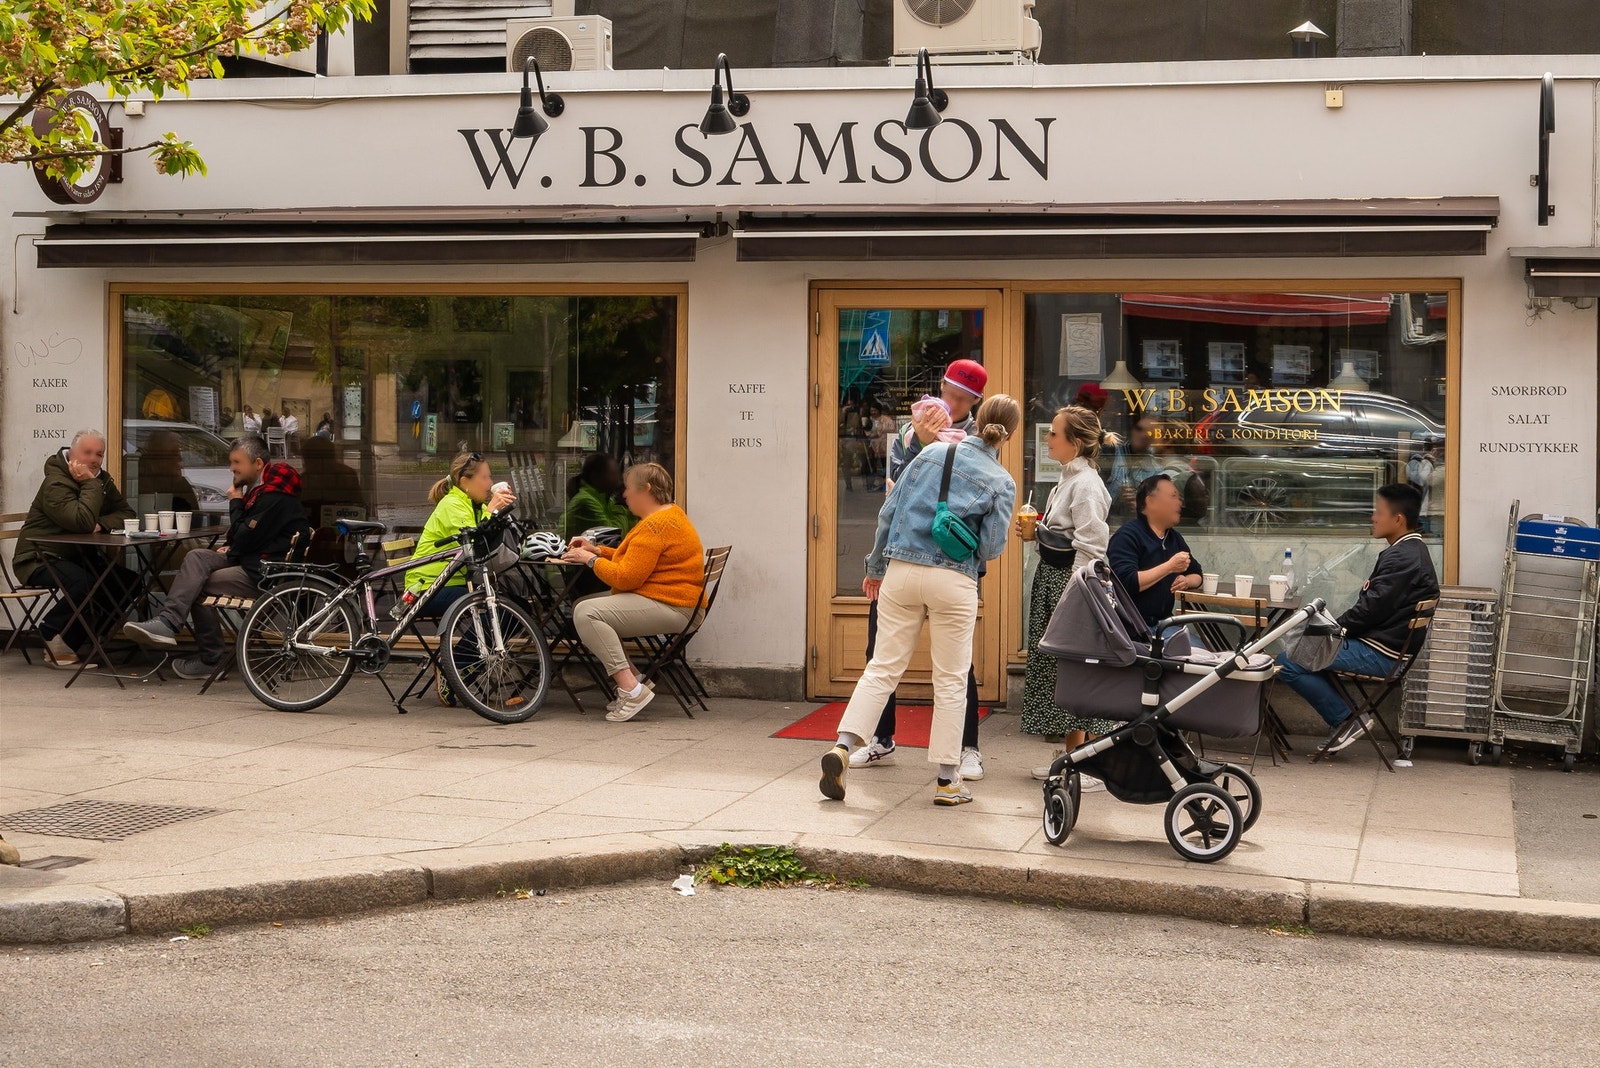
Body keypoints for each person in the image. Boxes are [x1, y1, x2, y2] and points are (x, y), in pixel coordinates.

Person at [820, 394, 1020, 808]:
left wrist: (875, 568)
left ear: (976, 420)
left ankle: (842, 747)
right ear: (1010, 434)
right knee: (950, 678)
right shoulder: (1001, 480)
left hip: (902, 572)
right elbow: (992, 546)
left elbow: (888, 513)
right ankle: (947, 782)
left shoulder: (930, 455)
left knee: (882, 667)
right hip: (954, 579)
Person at [850, 358, 991, 782]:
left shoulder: (981, 439)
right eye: (948, 393)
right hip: (905, 557)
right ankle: (880, 738)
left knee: (955, 664)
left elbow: (979, 491)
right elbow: (896, 487)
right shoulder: (912, 429)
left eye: (961, 398)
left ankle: (967, 749)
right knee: (880, 653)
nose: (951, 403)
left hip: (954, 562)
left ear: (975, 402)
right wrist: (918, 444)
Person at [124, 436, 312, 679]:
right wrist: (234, 545)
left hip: (264, 572)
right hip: (251, 558)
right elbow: (248, 536)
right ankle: (168, 622)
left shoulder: (274, 495)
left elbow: (244, 535)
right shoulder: (263, 489)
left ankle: (210, 659)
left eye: (236, 462)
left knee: (196, 586)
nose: (231, 468)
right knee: (197, 557)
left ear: (257, 463)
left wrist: (235, 501)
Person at [1276, 484, 1439, 753]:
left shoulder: (1402, 557)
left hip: (1382, 655)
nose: (1373, 518)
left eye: (1378, 512)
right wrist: (1332, 631)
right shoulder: (1409, 552)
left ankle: (1345, 720)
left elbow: (1368, 611)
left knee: (1290, 659)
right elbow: (1372, 609)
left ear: (1398, 519)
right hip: (1387, 648)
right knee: (1309, 649)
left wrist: (1334, 630)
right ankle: (1347, 717)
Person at [560, 463, 706, 723]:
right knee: (585, 605)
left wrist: (589, 561)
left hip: (673, 607)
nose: (624, 495)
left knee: (587, 613)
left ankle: (630, 688)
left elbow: (626, 578)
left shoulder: (655, 526)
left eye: (628, 489)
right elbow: (637, 561)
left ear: (646, 489)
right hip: (677, 602)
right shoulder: (669, 516)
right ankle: (636, 678)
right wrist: (597, 551)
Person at [1019, 406, 1116, 785]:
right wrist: (1040, 531)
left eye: (1054, 434)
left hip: (1071, 583)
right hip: (1056, 578)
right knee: (1062, 670)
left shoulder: (1086, 484)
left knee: (1077, 670)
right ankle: (1074, 757)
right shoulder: (1069, 478)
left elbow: (1093, 543)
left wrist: (1075, 594)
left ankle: (1088, 762)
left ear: (1074, 443)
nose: (1047, 438)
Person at [11, 430, 139, 669]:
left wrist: (100, 524)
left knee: (128, 582)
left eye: (99, 454)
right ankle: (51, 633)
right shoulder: (56, 483)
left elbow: (127, 514)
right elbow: (80, 522)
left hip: (76, 556)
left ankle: (74, 639)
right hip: (38, 558)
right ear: (71, 454)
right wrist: (91, 483)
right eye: (87, 452)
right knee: (85, 583)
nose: (93, 459)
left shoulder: (102, 479)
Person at [403, 451, 517, 705]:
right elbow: (472, 544)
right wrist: (491, 510)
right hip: (427, 589)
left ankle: (458, 667)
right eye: (485, 477)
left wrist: (501, 515)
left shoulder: (470, 505)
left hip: (452, 584)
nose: (489, 483)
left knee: (513, 606)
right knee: (500, 609)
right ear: (466, 481)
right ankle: (455, 667)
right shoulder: (453, 505)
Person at [1107, 473, 1204, 630]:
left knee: (1203, 652)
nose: (1180, 502)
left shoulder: (1173, 537)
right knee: (1188, 652)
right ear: (1150, 501)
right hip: (1132, 627)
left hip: (1164, 623)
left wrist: (1186, 581)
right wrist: (1170, 567)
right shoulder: (1127, 536)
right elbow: (1126, 582)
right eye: (1173, 496)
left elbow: (1197, 573)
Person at [561, 452, 632, 540]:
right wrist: (621, 505)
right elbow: (613, 537)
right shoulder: (586, 502)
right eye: (612, 474)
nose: (618, 479)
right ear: (595, 476)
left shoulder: (607, 500)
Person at [1106, 413, 1164, 519]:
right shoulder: (1111, 454)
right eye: (1139, 429)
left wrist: (1139, 505)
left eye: (1149, 433)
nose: (1142, 435)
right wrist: (1118, 497)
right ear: (1131, 431)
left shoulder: (1156, 471)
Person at [135, 429, 199, 512]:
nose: (180, 458)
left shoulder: (181, 485)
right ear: (158, 458)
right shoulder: (141, 482)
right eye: (174, 453)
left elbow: (194, 517)